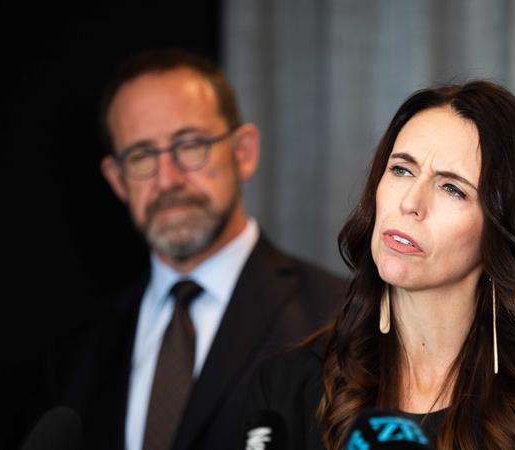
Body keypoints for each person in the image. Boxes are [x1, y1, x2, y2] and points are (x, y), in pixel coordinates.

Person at [244, 81, 515, 449]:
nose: (411, 203)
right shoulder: (288, 384)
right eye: (401, 169)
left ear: (504, 226)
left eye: (452, 188)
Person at [43, 49, 345, 450]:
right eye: (141, 155)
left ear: (243, 152)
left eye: (189, 145)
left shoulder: (338, 318)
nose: (167, 179)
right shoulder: (81, 351)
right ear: (117, 180)